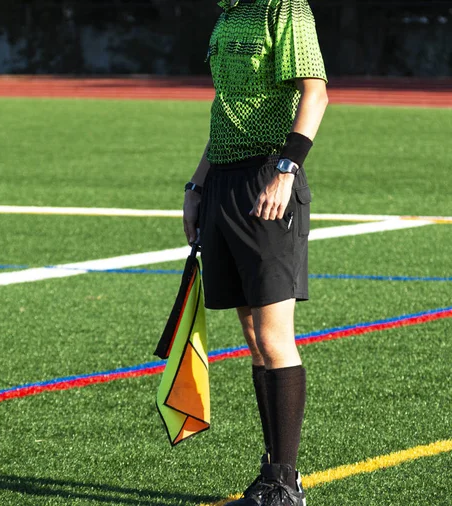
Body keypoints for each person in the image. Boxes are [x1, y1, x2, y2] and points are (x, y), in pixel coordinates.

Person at [182, 0, 328, 505]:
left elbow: (316, 93)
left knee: (272, 336)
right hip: (222, 180)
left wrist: (285, 169)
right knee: (252, 335)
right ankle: (273, 473)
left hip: (268, 177)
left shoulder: (283, 7)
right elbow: (228, 106)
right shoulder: (228, 12)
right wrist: (197, 186)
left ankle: (287, 483)